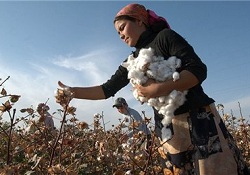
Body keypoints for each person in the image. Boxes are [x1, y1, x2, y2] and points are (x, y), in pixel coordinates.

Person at [57, 3, 249, 175]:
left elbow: (198, 70)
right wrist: (72, 92)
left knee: (216, 168)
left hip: (198, 120)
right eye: (117, 33)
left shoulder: (165, 38)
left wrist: (160, 88)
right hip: (168, 131)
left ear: (139, 20)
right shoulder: (131, 62)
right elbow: (106, 89)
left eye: (122, 28)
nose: (121, 35)